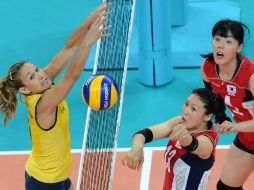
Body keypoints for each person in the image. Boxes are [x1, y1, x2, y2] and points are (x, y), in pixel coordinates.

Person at [0, 3, 111, 190]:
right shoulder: (43, 104)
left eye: (36, 68)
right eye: (32, 76)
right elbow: (71, 76)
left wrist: (88, 22)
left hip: (55, 175)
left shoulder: (43, 82)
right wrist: (88, 42)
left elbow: (68, 48)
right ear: (25, 90)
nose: (40, 74)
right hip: (44, 183)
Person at [122, 88, 231, 190]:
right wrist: (137, 147)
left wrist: (185, 136)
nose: (186, 111)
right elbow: (144, 134)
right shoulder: (179, 122)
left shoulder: (207, 141)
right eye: (186, 104)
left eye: (193, 109)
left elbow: (193, 144)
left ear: (207, 117)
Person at [201, 19, 254, 190]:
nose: (220, 46)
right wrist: (221, 118)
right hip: (249, 139)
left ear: (239, 47)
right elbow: (214, 98)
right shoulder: (208, 68)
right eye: (217, 39)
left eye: (228, 41)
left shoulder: (250, 76)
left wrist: (234, 127)